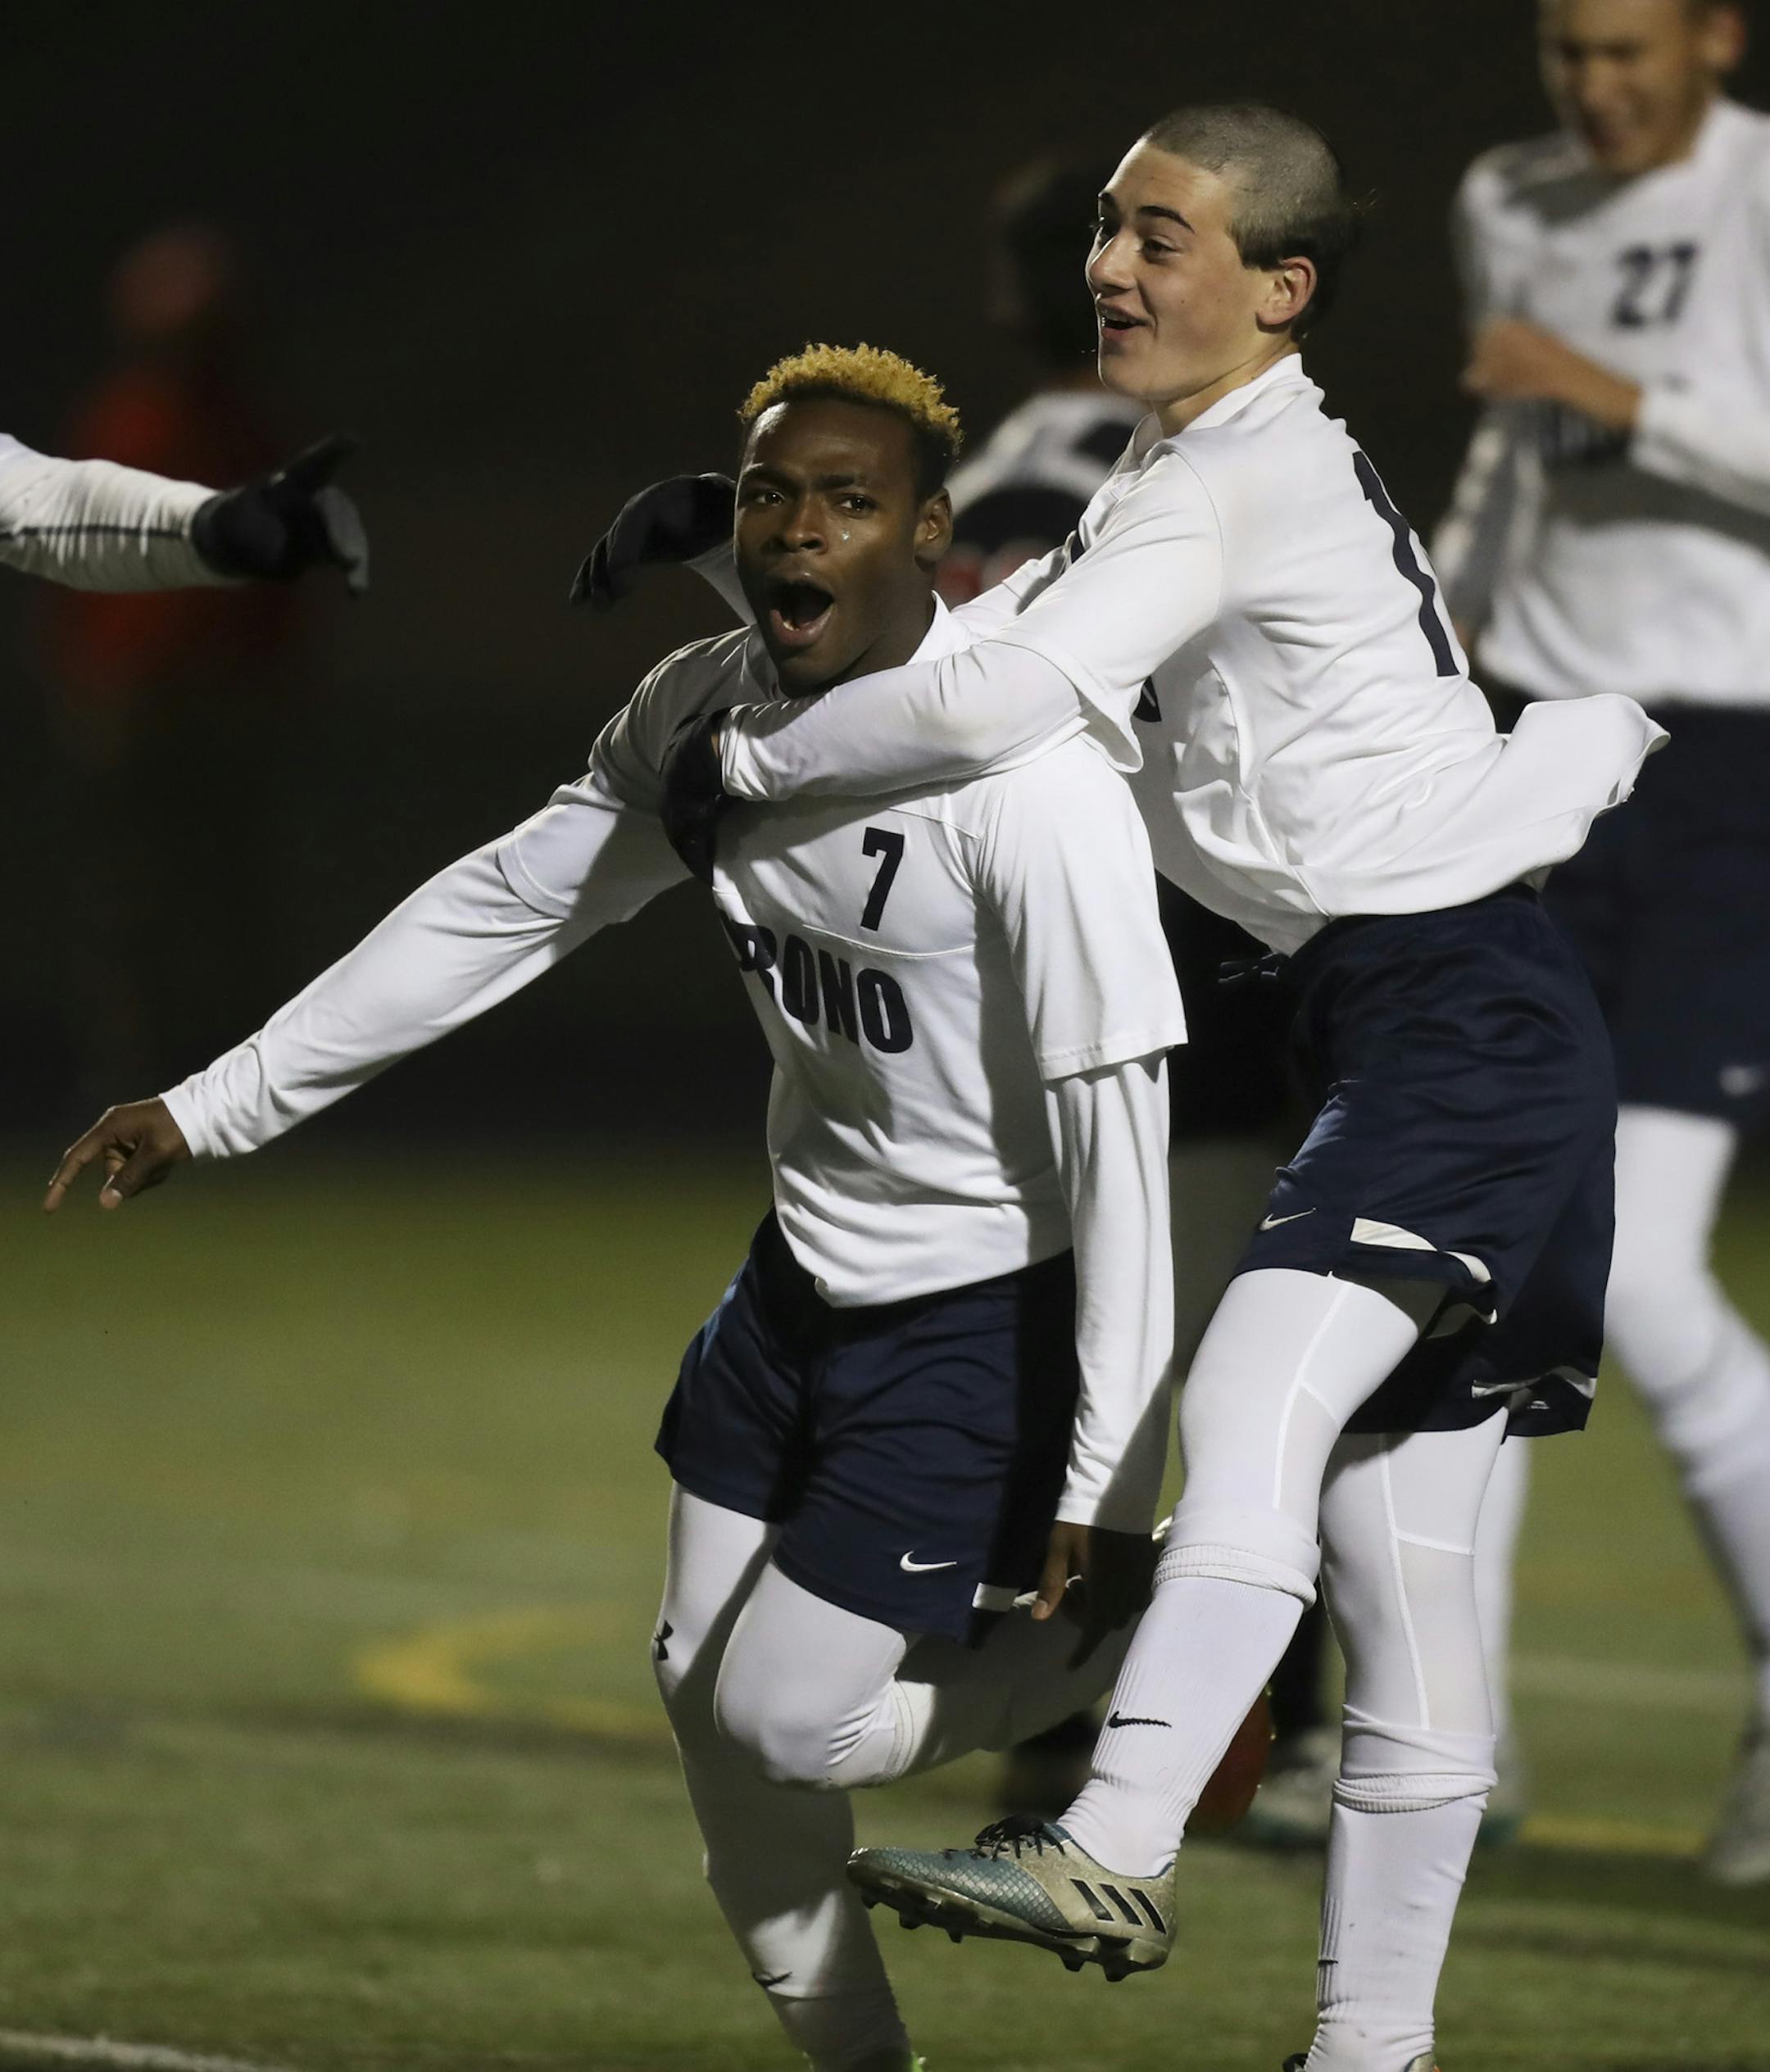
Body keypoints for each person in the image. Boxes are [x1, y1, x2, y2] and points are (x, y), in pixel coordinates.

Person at [657, 103, 1663, 2072]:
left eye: (1168, 239)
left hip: (1456, 1013)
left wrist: (748, 772)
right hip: (1429, 1015)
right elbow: (979, 657)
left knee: (1252, 1398)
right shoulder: (1189, 464)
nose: (1117, 267)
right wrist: (730, 567)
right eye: (1114, 230)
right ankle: (1370, 2052)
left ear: (1280, 291)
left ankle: (1116, 1828)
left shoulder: (1230, 479)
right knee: (1401, 1563)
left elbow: (994, 700)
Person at [44, 343, 1188, 2072]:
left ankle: (1149, 1643)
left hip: (977, 1317)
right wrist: (218, 1101)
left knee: (785, 1717)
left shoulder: (1026, 784)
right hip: (793, 1287)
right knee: (702, 1708)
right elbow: (511, 901)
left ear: (932, 533)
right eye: (770, 497)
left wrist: (1112, 1472)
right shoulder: (704, 710)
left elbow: (1123, 1135)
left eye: (851, 501)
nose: (800, 532)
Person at [1431, 0, 1770, 1888]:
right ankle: (1440, 1741)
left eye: (1631, 44)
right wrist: (1435, 666)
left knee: (1636, 1276)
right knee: (1475, 1258)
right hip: (1536, 745)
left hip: (1729, 762)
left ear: (1719, 33)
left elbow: (1611, 410)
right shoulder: (1516, 194)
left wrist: (1632, 398)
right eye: (1567, 45)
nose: (1594, 81)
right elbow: (1514, 459)